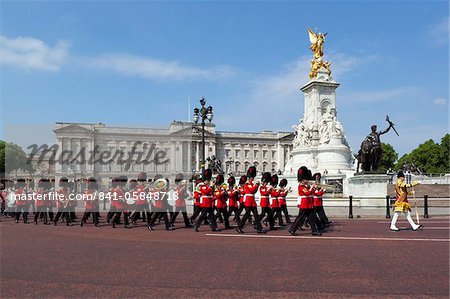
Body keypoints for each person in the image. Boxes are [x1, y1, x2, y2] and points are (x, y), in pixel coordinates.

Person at [288, 166, 321, 236]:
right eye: (306, 179)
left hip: (308, 204)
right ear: (302, 179)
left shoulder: (306, 186)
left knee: (311, 217)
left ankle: (314, 231)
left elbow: (311, 192)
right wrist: (312, 187)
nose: (307, 180)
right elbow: (307, 193)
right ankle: (292, 229)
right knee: (300, 217)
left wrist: (314, 188)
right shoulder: (301, 186)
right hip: (304, 204)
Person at [236, 166, 265, 234]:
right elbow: (252, 190)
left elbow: (254, 191)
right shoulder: (247, 183)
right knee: (247, 214)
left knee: (256, 215)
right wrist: (256, 185)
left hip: (252, 201)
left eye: (253, 177)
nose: (253, 178)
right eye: (252, 177)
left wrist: (256, 185)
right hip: (248, 201)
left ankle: (259, 228)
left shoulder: (252, 183)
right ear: (249, 177)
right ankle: (239, 227)